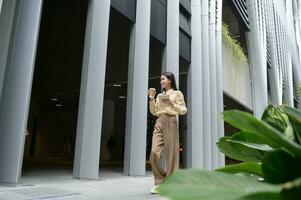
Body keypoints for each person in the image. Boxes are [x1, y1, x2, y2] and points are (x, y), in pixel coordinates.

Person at [148, 71, 187, 194]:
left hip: (171, 122)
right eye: (160, 79)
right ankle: (159, 181)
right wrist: (151, 98)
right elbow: (154, 112)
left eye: (163, 79)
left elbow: (184, 110)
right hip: (159, 122)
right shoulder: (160, 95)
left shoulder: (177, 93)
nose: (161, 81)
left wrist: (172, 104)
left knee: (172, 154)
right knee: (154, 152)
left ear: (170, 80)